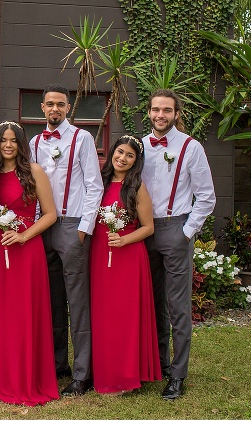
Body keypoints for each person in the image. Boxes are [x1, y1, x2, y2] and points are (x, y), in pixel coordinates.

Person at [0, 121, 59, 406]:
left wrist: (23, 235)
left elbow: (49, 215)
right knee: (0, 311)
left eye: (13, 141)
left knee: (23, 311)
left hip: (26, 250)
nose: (8, 145)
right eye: (3, 141)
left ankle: (24, 375)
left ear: (22, 145)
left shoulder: (33, 172)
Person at [29, 83, 103, 396]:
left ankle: (83, 374)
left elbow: (94, 185)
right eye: (50, 104)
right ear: (42, 108)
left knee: (78, 301)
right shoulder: (33, 142)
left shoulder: (82, 138)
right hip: (41, 229)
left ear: (68, 107)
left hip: (73, 226)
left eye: (61, 104)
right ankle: (60, 365)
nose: (55, 109)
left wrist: (84, 228)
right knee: (52, 300)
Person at [141, 89, 215, 400]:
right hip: (144, 233)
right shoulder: (140, 146)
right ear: (148, 113)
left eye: (167, 110)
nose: (161, 115)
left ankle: (178, 373)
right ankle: (158, 364)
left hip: (175, 228)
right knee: (152, 302)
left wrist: (186, 232)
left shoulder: (191, 147)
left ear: (176, 114)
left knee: (178, 306)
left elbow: (206, 197)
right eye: (156, 109)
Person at [90, 135, 161, 394]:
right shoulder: (100, 181)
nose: (122, 158)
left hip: (128, 256)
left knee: (124, 316)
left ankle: (126, 375)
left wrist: (124, 240)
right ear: (112, 153)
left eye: (129, 156)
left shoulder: (136, 186)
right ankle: (105, 371)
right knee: (103, 315)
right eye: (120, 152)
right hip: (100, 253)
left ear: (135, 161)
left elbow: (149, 227)